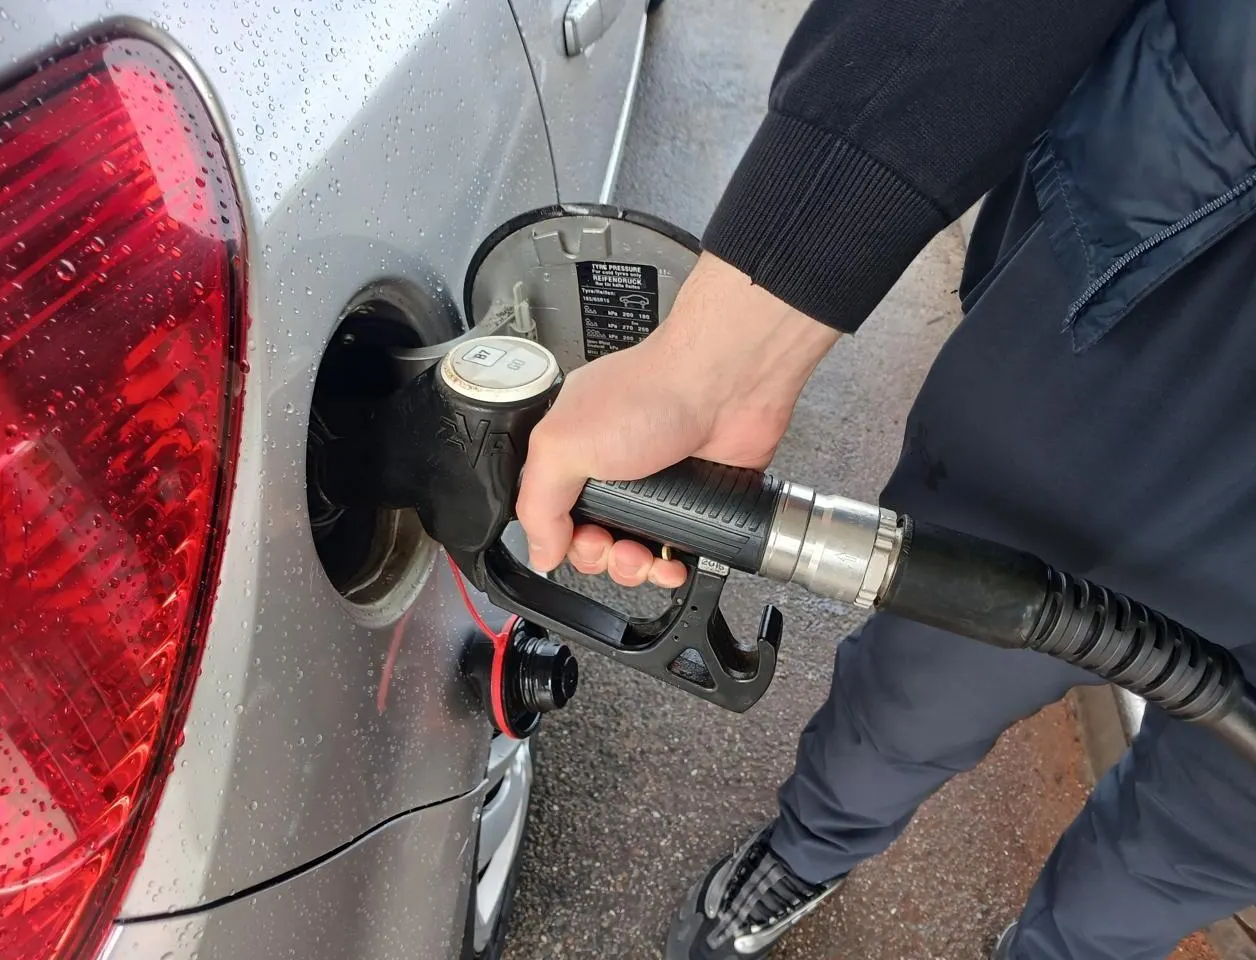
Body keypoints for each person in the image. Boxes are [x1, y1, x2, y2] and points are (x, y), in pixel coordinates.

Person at [513, 1, 1256, 958]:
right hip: (1154, 343)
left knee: (1197, 852)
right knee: (920, 689)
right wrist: (730, 354)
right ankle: (811, 846)